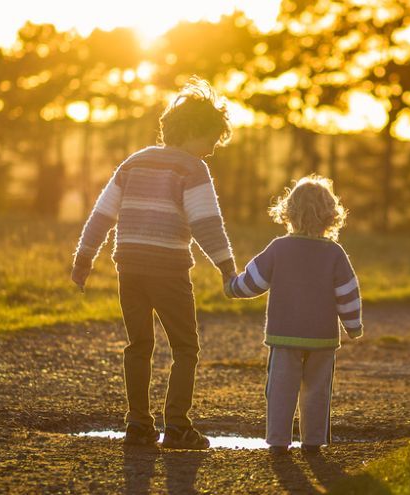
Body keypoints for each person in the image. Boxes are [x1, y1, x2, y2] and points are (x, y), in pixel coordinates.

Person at [71, 77, 236, 450]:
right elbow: (206, 223)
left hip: (128, 268)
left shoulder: (134, 162)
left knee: (139, 344)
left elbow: (102, 214)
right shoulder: (192, 169)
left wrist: (84, 259)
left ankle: (138, 425)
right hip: (168, 270)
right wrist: (228, 268)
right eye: (210, 140)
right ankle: (176, 426)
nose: (211, 150)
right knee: (185, 348)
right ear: (194, 131)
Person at [224, 175, 363, 455]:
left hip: (284, 335)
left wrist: (232, 287)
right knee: (317, 391)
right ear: (330, 215)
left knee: (280, 390)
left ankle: (278, 442)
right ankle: (312, 441)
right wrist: (353, 326)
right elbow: (347, 293)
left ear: (288, 212)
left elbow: (254, 282)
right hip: (322, 339)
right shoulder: (334, 253)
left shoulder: (279, 248)